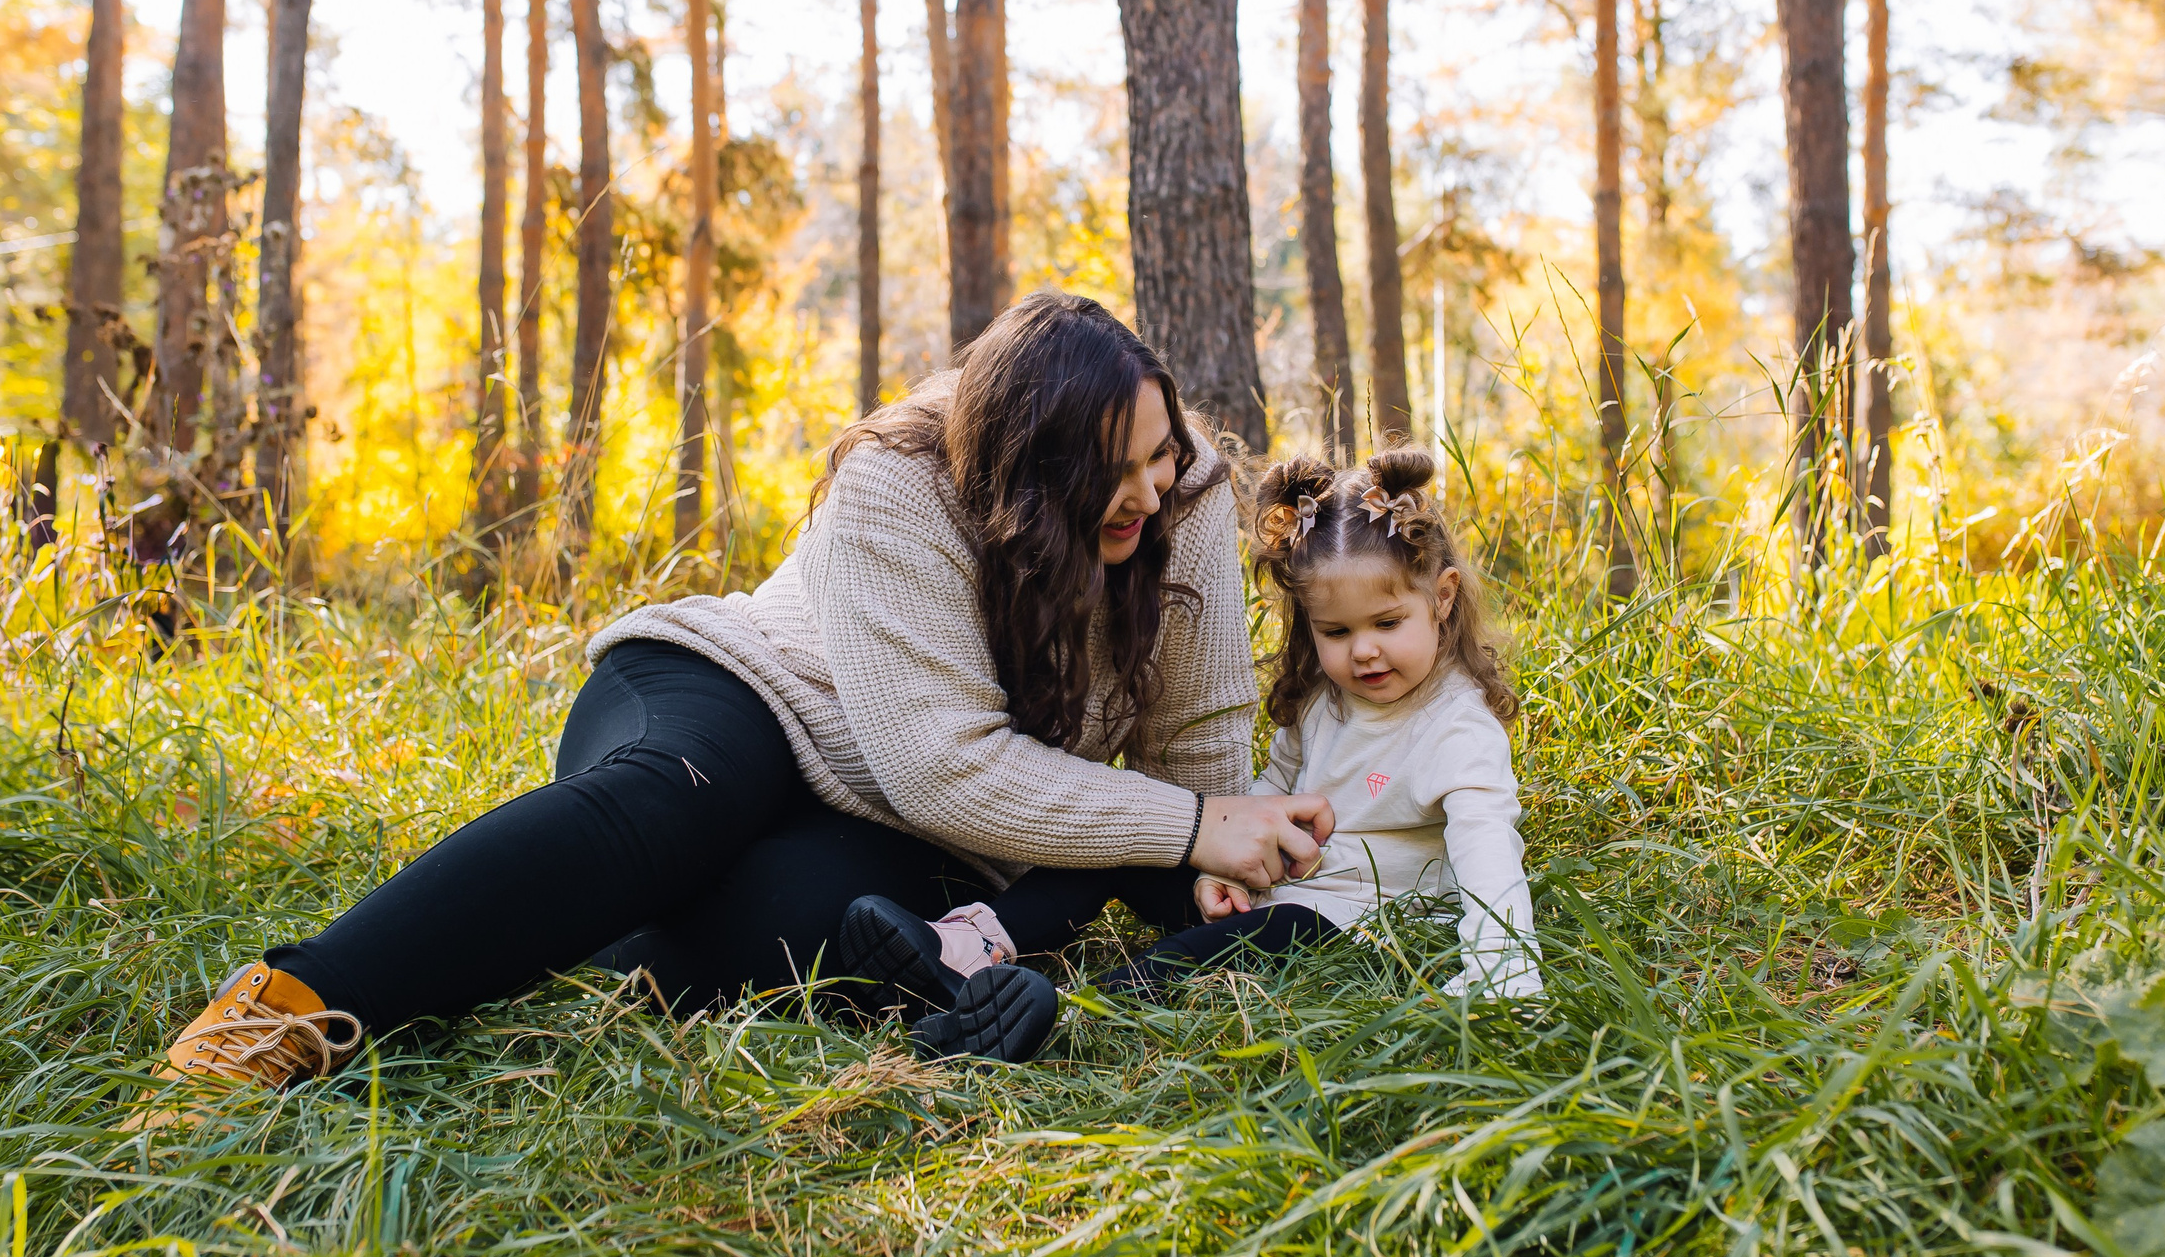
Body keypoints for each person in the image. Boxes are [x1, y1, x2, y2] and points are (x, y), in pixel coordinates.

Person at [145, 293, 1336, 1100]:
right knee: (676, 805)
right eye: (1107, 471)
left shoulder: (1185, 502)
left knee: (800, 938)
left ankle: (584, 921)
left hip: (901, 830)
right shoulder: (900, 480)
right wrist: (1186, 830)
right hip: (741, 699)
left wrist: (1211, 858)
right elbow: (944, 764)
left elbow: (1193, 740)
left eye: (1157, 455)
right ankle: (287, 1010)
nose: (1143, 490)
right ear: (1027, 468)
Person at [840, 447, 1539, 1053]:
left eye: (1388, 622)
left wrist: (1503, 968)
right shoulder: (1328, 698)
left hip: (1342, 919)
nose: (1363, 649)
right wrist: (1223, 867)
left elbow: (1487, 849)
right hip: (1274, 886)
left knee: (1199, 954)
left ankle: (1061, 1020)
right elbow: (1272, 792)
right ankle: (959, 951)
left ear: (1443, 597)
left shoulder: (1456, 728)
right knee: (1122, 841)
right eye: (1335, 631)